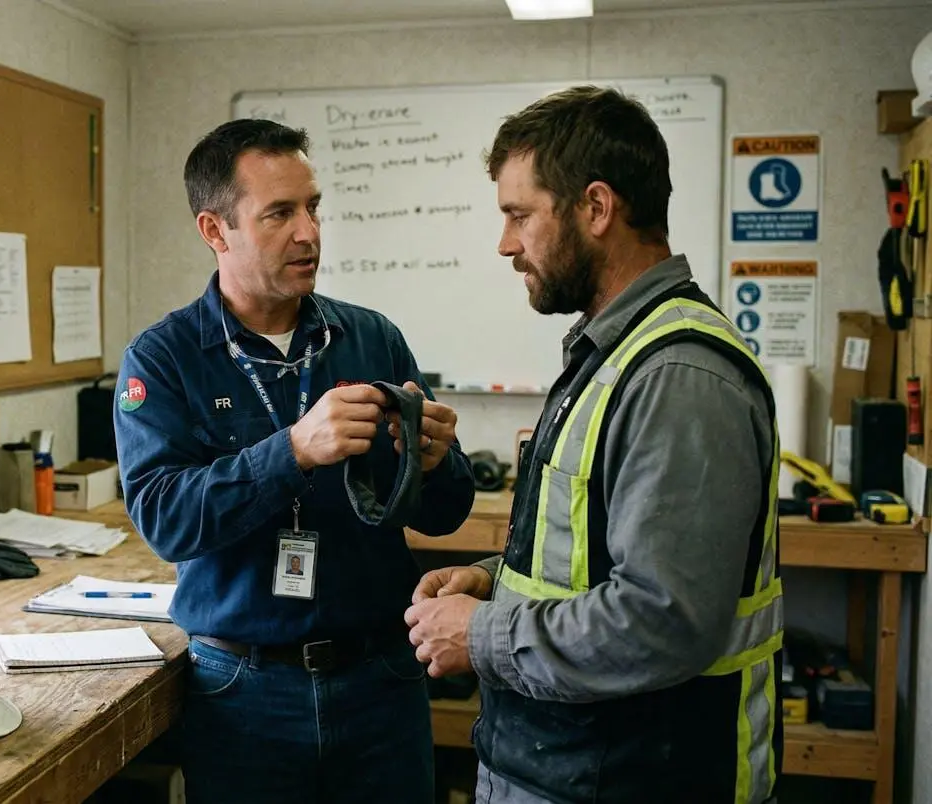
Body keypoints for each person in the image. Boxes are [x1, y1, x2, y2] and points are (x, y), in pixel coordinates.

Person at [404, 86, 782, 804]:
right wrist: (493, 580)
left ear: (597, 208)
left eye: (520, 215)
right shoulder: (611, 353)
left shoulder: (678, 376)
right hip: (572, 767)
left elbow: (662, 622)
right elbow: (590, 553)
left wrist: (482, 635)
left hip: (637, 776)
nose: (506, 243)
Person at [114, 118, 477, 804]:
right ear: (215, 231)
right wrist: (291, 452)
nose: (308, 232)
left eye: (313, 208)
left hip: (381, 680)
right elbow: (164, 518)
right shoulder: (161, 360)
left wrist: (434, 463)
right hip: (242, 692)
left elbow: (445, 511)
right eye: (279, 213)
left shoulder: (371, 337)